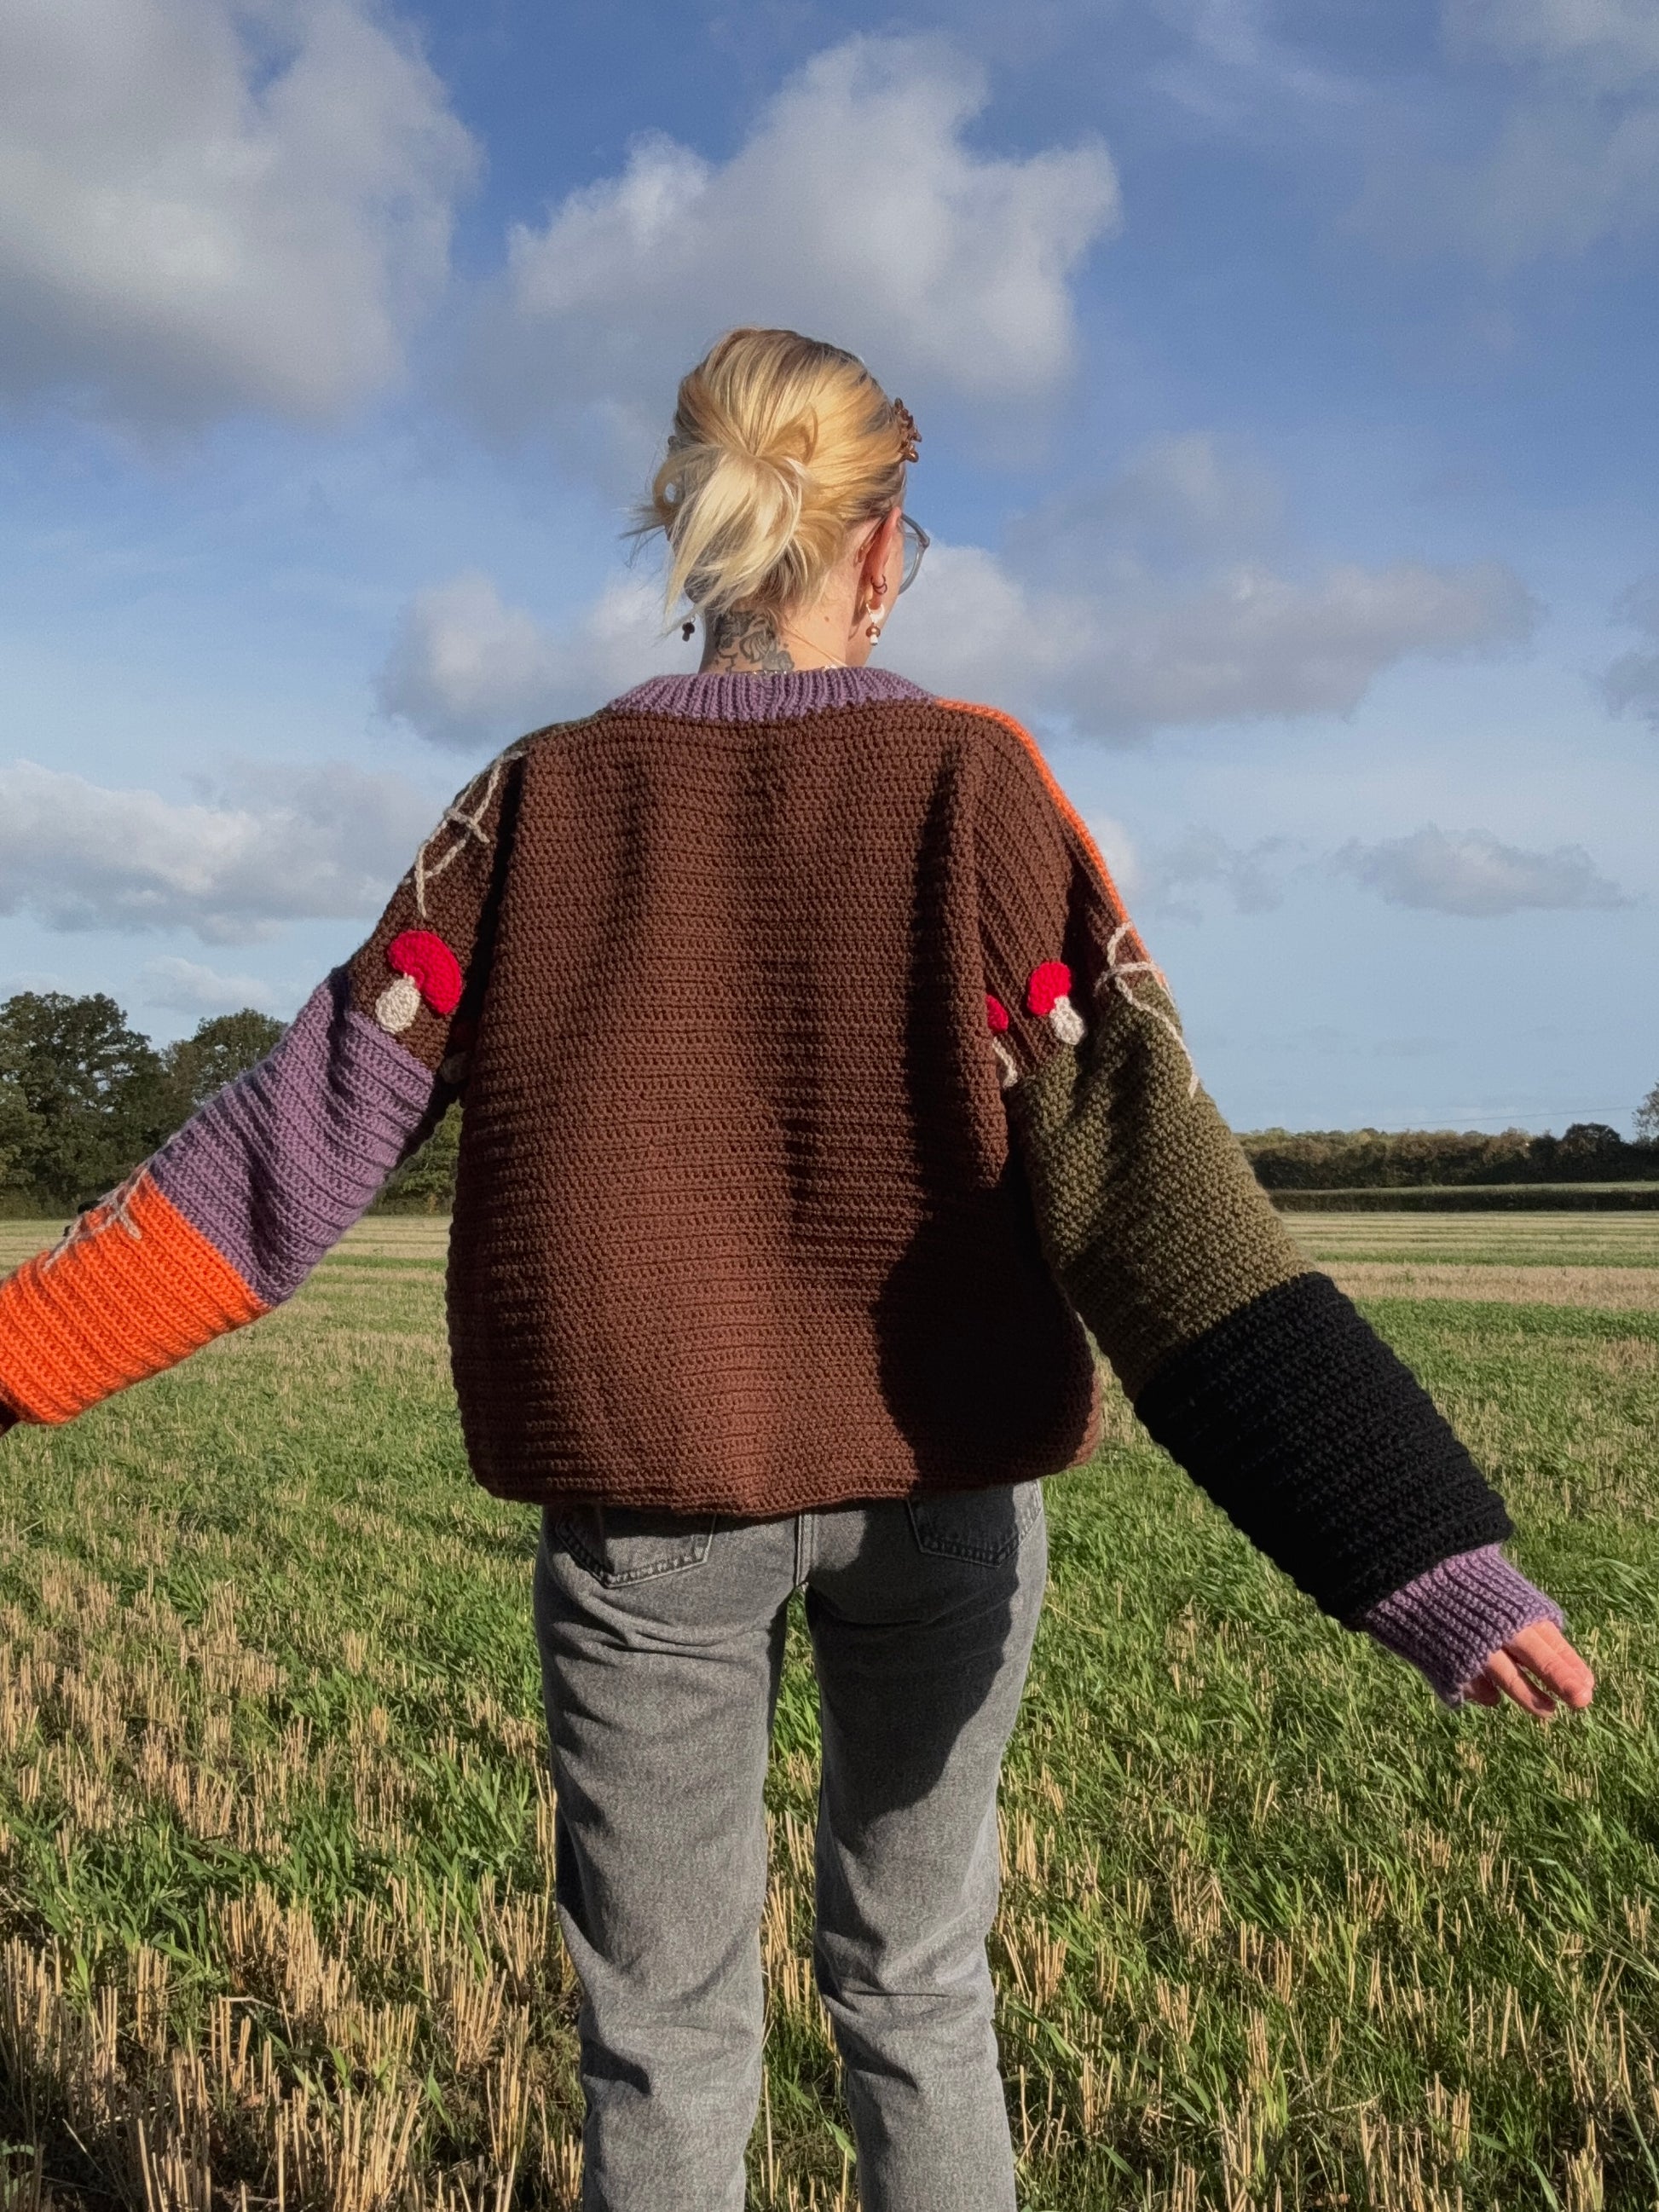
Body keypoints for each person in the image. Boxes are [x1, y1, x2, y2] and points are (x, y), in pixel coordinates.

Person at [0, 326, 1594, 2212]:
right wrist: (1422, 1548)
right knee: (919, 1988)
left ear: (683, 522)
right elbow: (1149, 1189)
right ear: (884, 545)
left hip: (645, 1512)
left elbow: (288, 1144)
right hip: (943, 1498)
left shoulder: (537, 797)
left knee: (659, 2028)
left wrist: (18, 1352)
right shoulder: (973, 782)